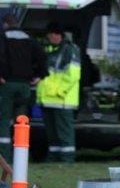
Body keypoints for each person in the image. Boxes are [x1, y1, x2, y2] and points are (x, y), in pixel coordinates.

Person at [0, 13, 47, 164]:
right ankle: (22, 155)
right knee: (21, 121)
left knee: (4, 120)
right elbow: (42, 57)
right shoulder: (29, 39)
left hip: (8, 84)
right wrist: (40, 75)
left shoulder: (3, 37)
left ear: (6, 24)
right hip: (25, 86)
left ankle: (4, 156)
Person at [37, 22, 80, 163]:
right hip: (48, 99)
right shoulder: (50, 50)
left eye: (51, 35)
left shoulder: (70, 50)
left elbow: (73, 75)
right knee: (52, 132)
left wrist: (60, 92)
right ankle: (53, 157)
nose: (49, 38)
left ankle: (67, 158)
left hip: (62, 100)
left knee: (64, 132)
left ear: (57, 35)